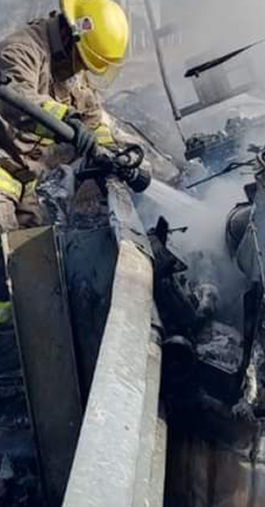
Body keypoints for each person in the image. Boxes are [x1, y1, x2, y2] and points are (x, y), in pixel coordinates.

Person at [0, 0, 128, 325]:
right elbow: (17, 98)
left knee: (33, 266)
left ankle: (21, 335)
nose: (81, 70)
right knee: (3, 267)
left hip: (25, 181)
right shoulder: (22, 50)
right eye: (83, 61)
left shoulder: (71, 68)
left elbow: (94, 120)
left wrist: (117, 154)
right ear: (71, 37)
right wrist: (67, 122)